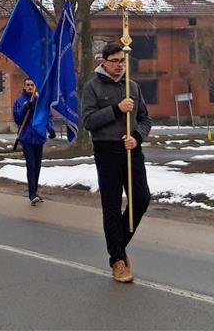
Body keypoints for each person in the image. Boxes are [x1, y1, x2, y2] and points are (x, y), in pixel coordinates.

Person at [81, 41, 152, 284]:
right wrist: (117, 109)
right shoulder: (92, 87)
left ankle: (118, 247)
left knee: (141, 200)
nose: (120, 65)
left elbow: (144, 119)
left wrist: (138, 137)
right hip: (107, 151)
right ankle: (118, 261)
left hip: (131, 151)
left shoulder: (132, 85)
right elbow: (88, 121)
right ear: (104, 62)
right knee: (111, 206)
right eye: (115, 61)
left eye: (123, 61)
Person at [13, 77, 54, 205]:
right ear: (24, 86)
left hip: (39, 136)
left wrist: (51, 129)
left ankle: (35, 191)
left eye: (32, 85)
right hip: (27, 137)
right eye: (28, 85)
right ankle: (32, 193)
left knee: (37, 165)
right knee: (31, 165)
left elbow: (47, 116)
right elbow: (18, 119)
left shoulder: (41, 101)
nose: (30, 87)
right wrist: (26, 108)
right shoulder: (19, 101)